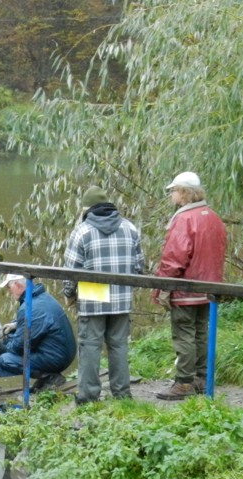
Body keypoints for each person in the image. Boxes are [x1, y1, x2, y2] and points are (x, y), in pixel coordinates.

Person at [63, 185, 145, 404]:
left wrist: (69, 294)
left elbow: (71, 271)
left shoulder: (82, 231)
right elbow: (139, 267)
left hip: (93, 295)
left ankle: (88, 396)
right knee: (118, 346)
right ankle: (122, 394)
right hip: (122, 296)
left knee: (90, 346)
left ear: (86, 209)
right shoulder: (130, 228)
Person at [151, 171, 227, 400]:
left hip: (186, 288)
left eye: (173, 191)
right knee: (201, 332)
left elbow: (175, 256)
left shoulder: (184, 219)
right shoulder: (213, 217)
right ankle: (202, 378)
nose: (171, 195)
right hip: (210, 288)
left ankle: (184, 381)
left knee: (183, 333)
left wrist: (162, 286)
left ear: (184, 192)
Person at [0, 275, 77, 391]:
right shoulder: (41, 297)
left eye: (9, 287)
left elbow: (19, 346)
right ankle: (45, 377)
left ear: (17, 285)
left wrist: (0, 347)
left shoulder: (29, 307)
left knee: (4, 359)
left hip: (56, 358)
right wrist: (16, 324)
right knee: (7, 341)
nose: (8, 291)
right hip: (62, 353)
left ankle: (50, 377)